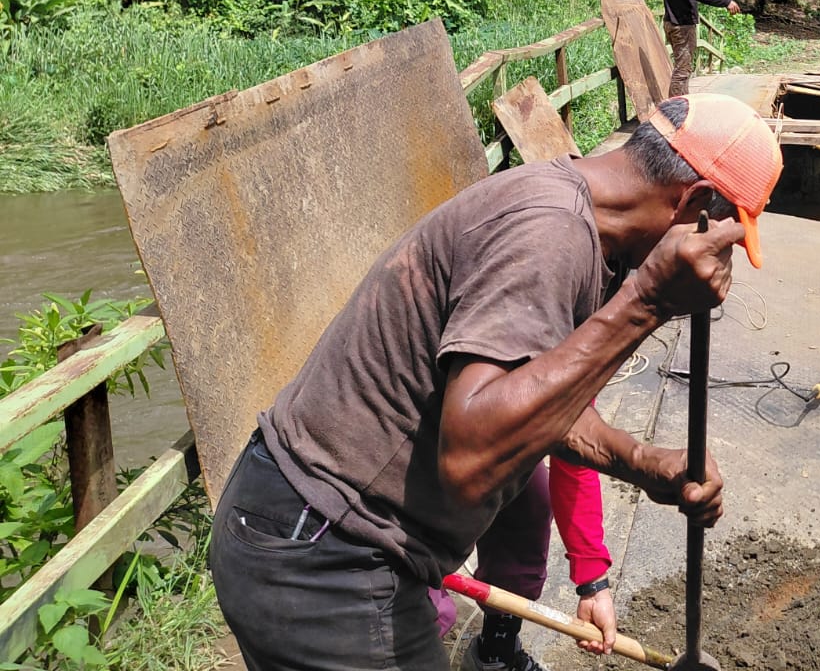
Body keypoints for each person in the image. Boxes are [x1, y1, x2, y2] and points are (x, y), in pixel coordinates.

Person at [209, 94, 783, 671]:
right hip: (322, 551)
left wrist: (642, 462)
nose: (719, 268)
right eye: (724, 245)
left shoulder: (587, 228)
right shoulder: (549, 235)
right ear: (695, 203)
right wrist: (648, 301)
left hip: (316, 530)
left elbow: (536, 403)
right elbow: (471, 461)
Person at [427, 455, 611, 671]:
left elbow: (575, 459)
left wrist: (594, 585)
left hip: (484, 445)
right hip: (412, 458)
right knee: (422, 609)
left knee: (529, 498)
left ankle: (496, 651)